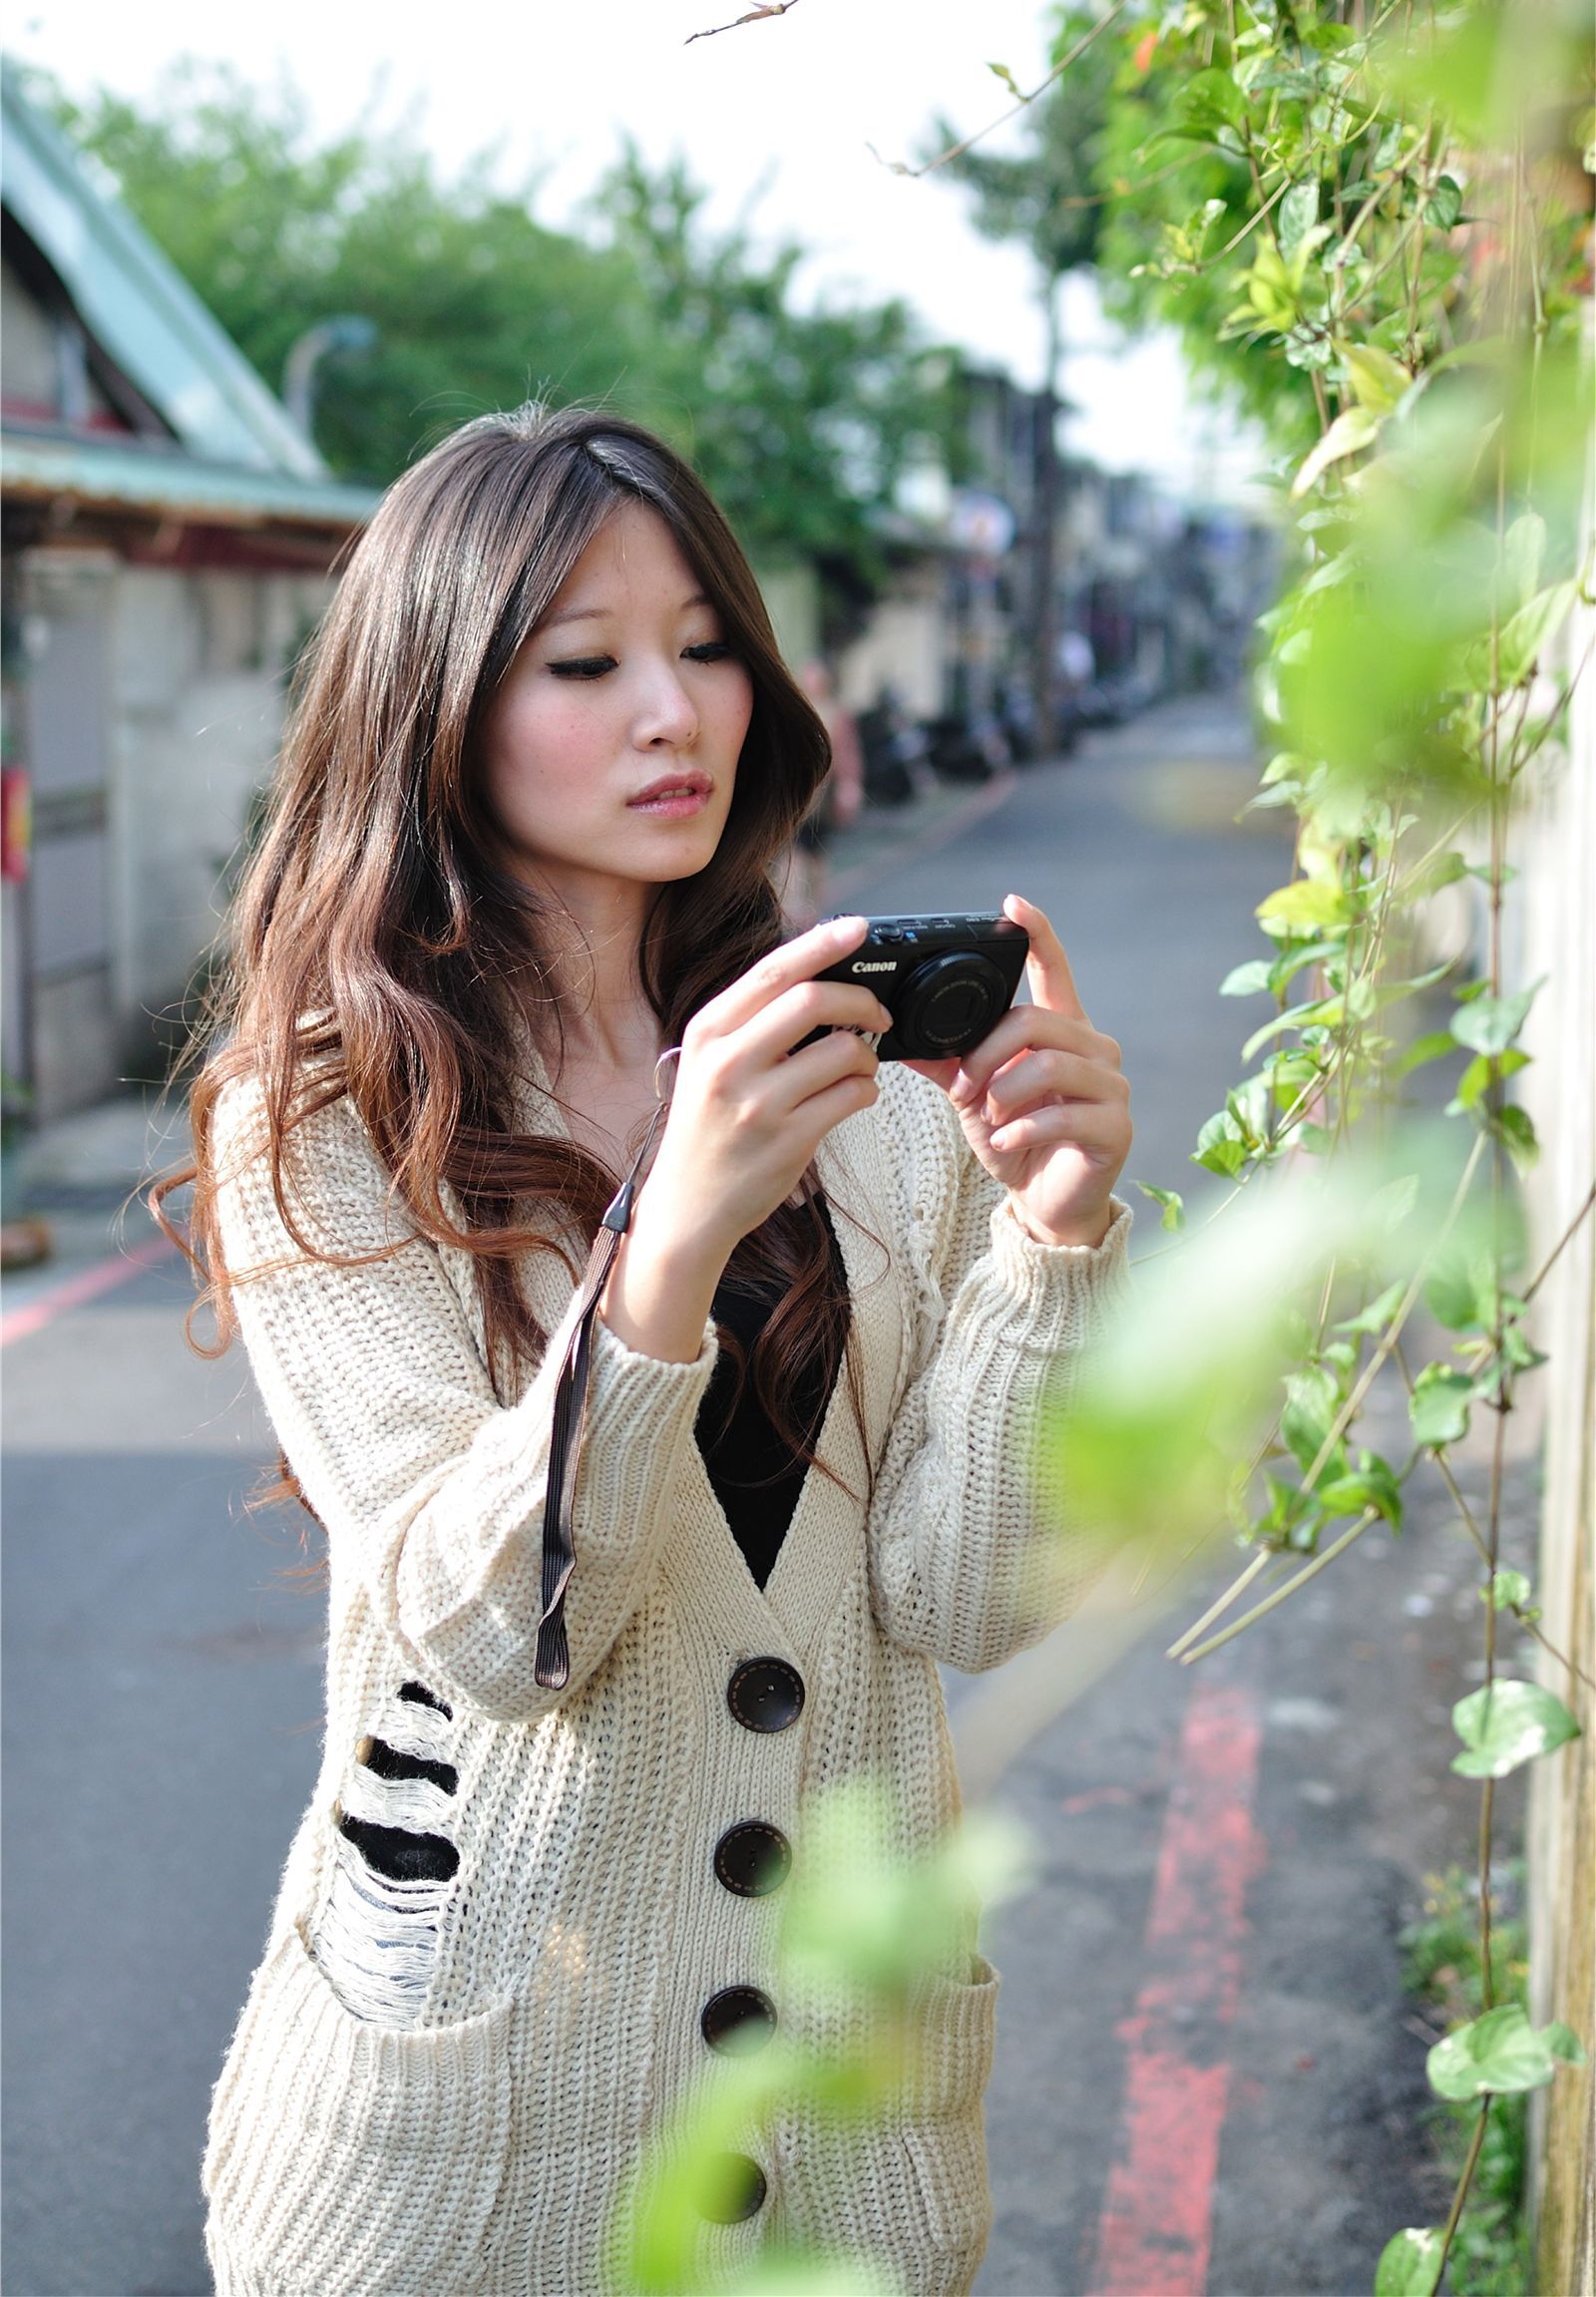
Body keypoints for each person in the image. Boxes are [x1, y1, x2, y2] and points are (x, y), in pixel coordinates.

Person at [156, 402, 1134, 2297]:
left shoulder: (874, 1087)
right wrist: (667, 1247)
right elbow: (487, 1635)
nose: (673, 713)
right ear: (432, 704)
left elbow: (964, 1597)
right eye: (584, 663)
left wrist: (1052, 1239)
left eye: (704, 648)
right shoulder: (324, 1122)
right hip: (476, 2159)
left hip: (839, 2144)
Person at [780, 656, 865, 929]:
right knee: (794, 853)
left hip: (823, 796)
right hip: (795, 793)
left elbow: (848, 755)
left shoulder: (837, 714)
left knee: (816, 853)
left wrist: (850, 786)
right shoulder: (794, 710)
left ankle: (812, 912)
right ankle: (791, 911)